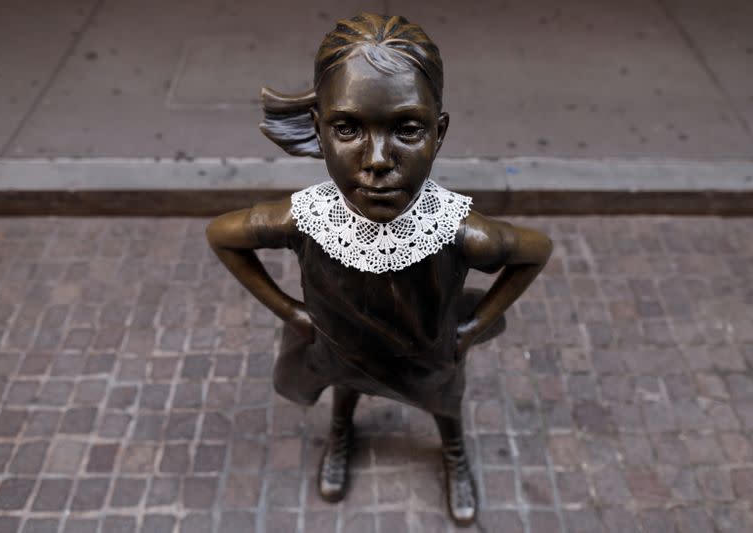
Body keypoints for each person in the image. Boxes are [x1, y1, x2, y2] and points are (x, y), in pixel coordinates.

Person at [206, 13, 551, 527]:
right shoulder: (307, 219)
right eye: (348, 128)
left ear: (440, 133)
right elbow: (223, 236)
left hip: (427, 351)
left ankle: (453, 451)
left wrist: (473, 327)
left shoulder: (455, 230)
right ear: (318, 130)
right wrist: (293, 313)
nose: (377, 160)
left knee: (444, 401)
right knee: (347, 384)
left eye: (407, 129)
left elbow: (535, 250)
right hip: (342, 346)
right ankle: (341, 432)